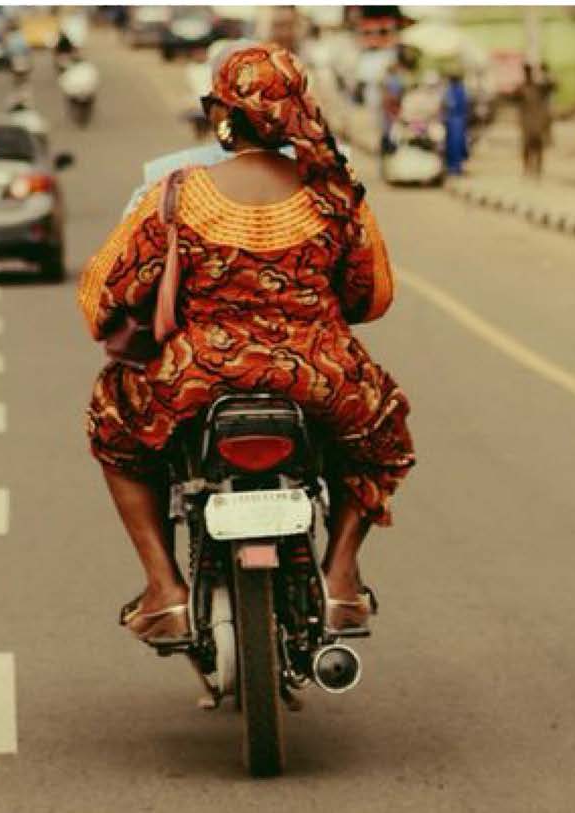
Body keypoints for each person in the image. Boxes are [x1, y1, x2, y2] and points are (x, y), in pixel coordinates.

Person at [77, 43, 416, 644]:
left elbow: (102, 297)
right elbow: (375, 296)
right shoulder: (336, 194)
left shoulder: (178, 194)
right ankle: (340, 579)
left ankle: (164, 589)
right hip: (322, 373)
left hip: (196, 371)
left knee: (114, 419)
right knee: (379, 433)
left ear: (220, 115)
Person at [515, 63, 552, 179]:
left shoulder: (539, 87)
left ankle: (538, 170)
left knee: (538, 146)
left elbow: (553, 86)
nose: (528, 74)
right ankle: (527, 169)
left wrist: (546, 74)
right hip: (526, 123)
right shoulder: (521, 88)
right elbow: (513, 99)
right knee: (526, 147)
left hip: (538, 122)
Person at [442, 67, 471, 176]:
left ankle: (455, 168)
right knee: (452, 144)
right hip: (454, 120)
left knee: (457, 144)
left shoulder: (457, 90)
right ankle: (453, 167)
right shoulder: (453, 89)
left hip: (456, 120)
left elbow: (453, 104)